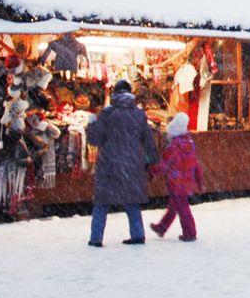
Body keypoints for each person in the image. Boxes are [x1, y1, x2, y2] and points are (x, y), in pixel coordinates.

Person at [85, 80, 156, 247]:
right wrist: (152, 161)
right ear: (130, 93)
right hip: (132, 163)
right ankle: (138, 235)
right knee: (132, 201)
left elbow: (94, 140)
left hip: (109, 163)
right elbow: (148, 141)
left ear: (115, 93)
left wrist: (92, 124)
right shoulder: (139, 114)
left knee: (101, 203)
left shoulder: (106, 113)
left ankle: (96, 238)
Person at [150, 112, 203, 242]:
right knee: (176, 205)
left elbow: (163, 165)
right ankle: (162, 227)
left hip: (175, 182)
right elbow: (195, 164)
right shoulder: (190, 144)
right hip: (187, 181)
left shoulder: (173, 147)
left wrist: (152, 171)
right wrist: (199, 180)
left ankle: (190, 233)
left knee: (182, 207)